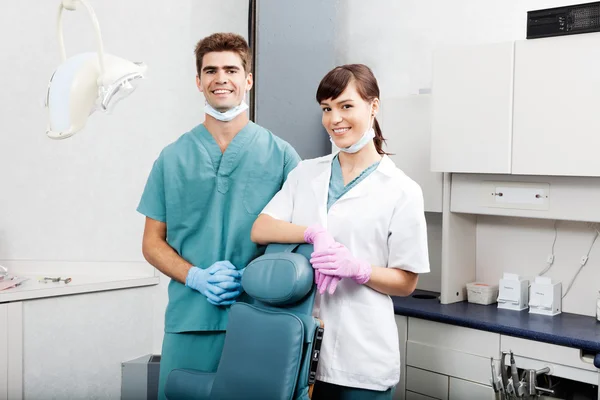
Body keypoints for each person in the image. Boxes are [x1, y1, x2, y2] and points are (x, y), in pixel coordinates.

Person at [137, 32, 300, 399]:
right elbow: (151, 243)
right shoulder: (172, 157)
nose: (221, 79)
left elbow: (298, 239)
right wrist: (195, 277)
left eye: (231, 69)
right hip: (189, 321)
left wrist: (254, 277)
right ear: (199, 82)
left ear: (248, 80)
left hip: (261, 319)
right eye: (210, 71)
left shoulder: (283, 156)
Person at [251, 64, 430, 399]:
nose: (335, 119)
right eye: (326, 109)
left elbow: (407, 281)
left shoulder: (402, 190)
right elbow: (261, 228)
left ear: (373, 106)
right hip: (298, 351)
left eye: (346, 106)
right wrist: (312, 233)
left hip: (361, 356)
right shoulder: (306, 173)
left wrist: (359, 269)